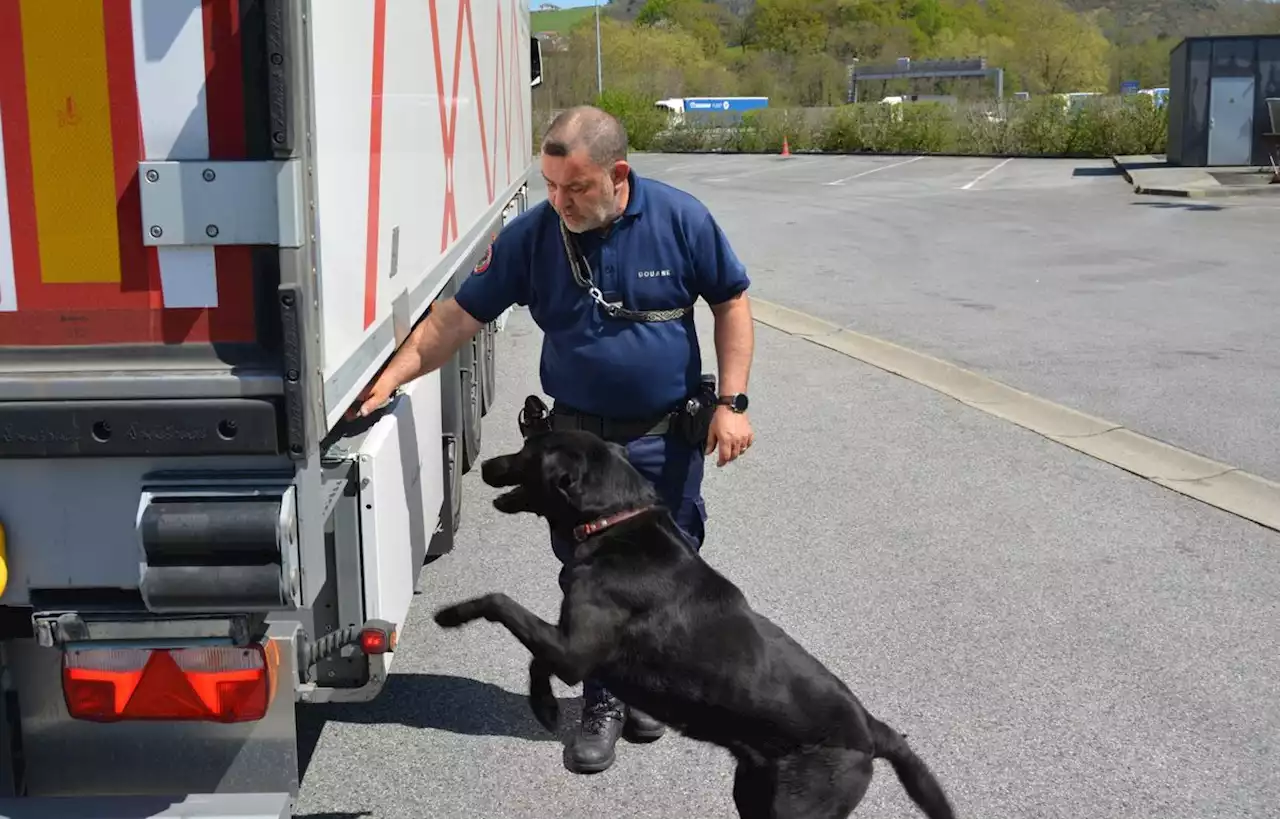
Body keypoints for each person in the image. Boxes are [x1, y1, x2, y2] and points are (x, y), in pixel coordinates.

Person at [350, 105, 756, 774]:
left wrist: (732, 401)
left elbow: (731, 300)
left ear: (618, 174)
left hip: (665, 438)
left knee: (671, 571)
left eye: (576, 187)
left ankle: (645, 686)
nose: (560, 201)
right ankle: (602, 700)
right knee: (591, 579)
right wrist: (388, 379)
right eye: (550, 185)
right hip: (579, 450)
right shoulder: (534, 237)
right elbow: (455, 319)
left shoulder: (681, 219)